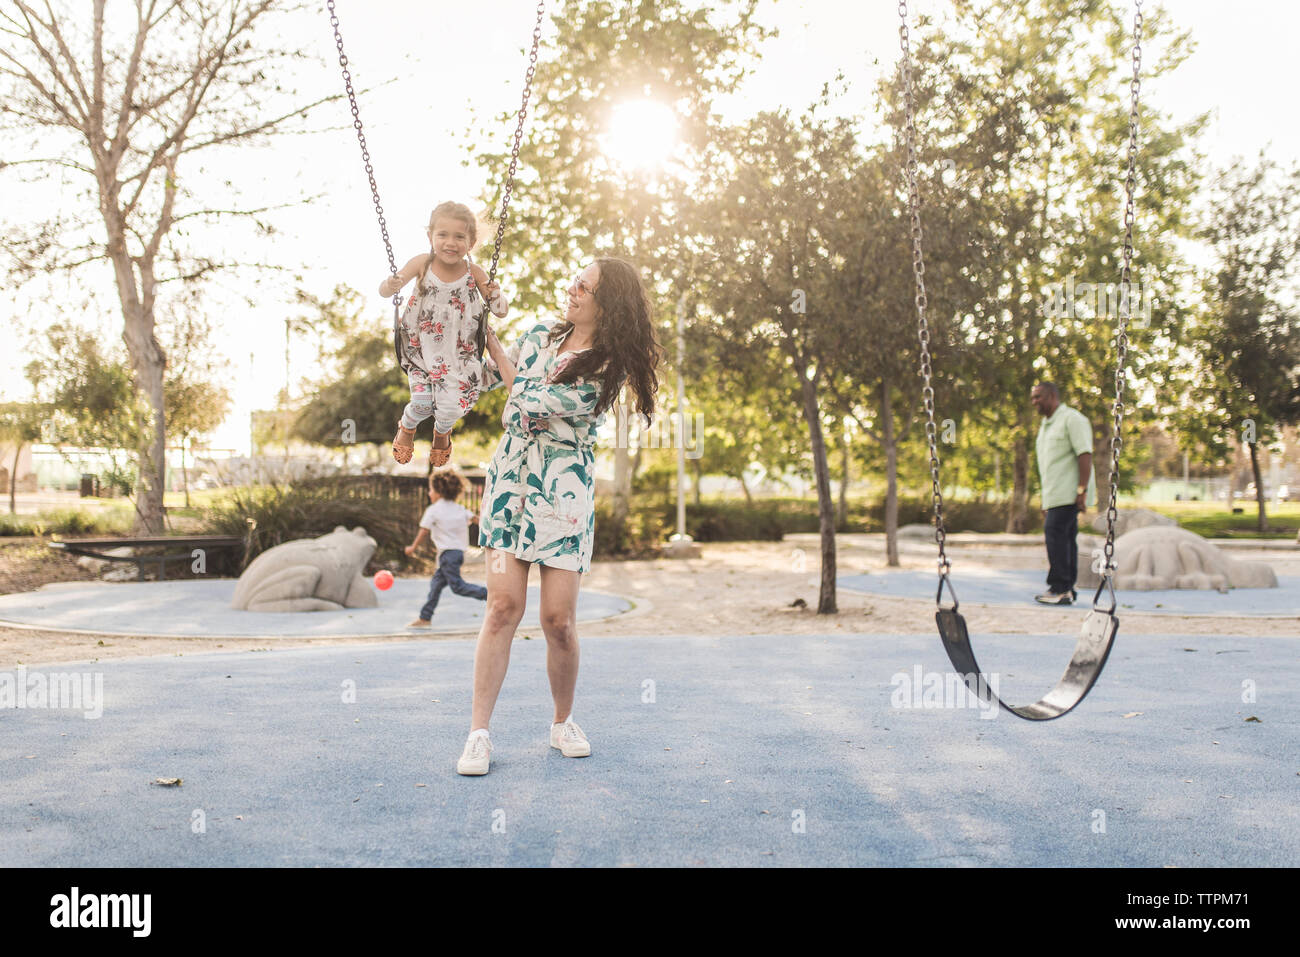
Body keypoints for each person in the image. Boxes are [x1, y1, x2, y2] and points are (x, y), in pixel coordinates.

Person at [454, 257, 661, 776]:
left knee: (558, 621)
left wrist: (502, 359)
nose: (572, 289)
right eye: (575, 279)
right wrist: (476, 343)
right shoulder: (543, 332)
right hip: (509, 487)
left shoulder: (603, 367)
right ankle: (478, 733)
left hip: (562, 496)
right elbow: (498, 383)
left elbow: (523, 401)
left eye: (584, 287)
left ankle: (562, 721)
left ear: (606, 304)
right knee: (502, 608)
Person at [378, 201, 509, 468]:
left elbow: (500, 311)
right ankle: (407, 427)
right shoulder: (422, 264)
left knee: (450, 409)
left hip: (459, 354)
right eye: (443, 235)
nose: (451, 242)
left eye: (459, 236)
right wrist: (390, 285)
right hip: (421, 352)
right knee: (422, 403)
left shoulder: (474, 272)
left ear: (471, 242)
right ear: (431, 237)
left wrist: (495, 294)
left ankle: (443, 432)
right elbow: (385, 290)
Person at [1031, 382, 1096, 604]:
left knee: (1055, 536)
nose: (1034, 402)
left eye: (1038, 397)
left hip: (1069, 493)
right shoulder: (1046, 425)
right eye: (1033, 397)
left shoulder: (1072, 419)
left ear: (1051, 396)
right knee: (1066, 539)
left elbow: (1084, 454)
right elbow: (1049, 466)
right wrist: (1045, 499)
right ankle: (1067, 589)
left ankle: (1059, 588)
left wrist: (1082, 490)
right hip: (1054, 494)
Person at [404, 470, 487, 628]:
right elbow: (477, 520)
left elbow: (424, 530)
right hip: (455, 554)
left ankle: (490, 595)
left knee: (457, 587)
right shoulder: (460, 509)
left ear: (439, 492)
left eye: (431, 490)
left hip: (448, 555)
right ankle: (425, 617)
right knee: (436, 585)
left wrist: (413, 547)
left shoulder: (433, 510)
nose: (429, 493)